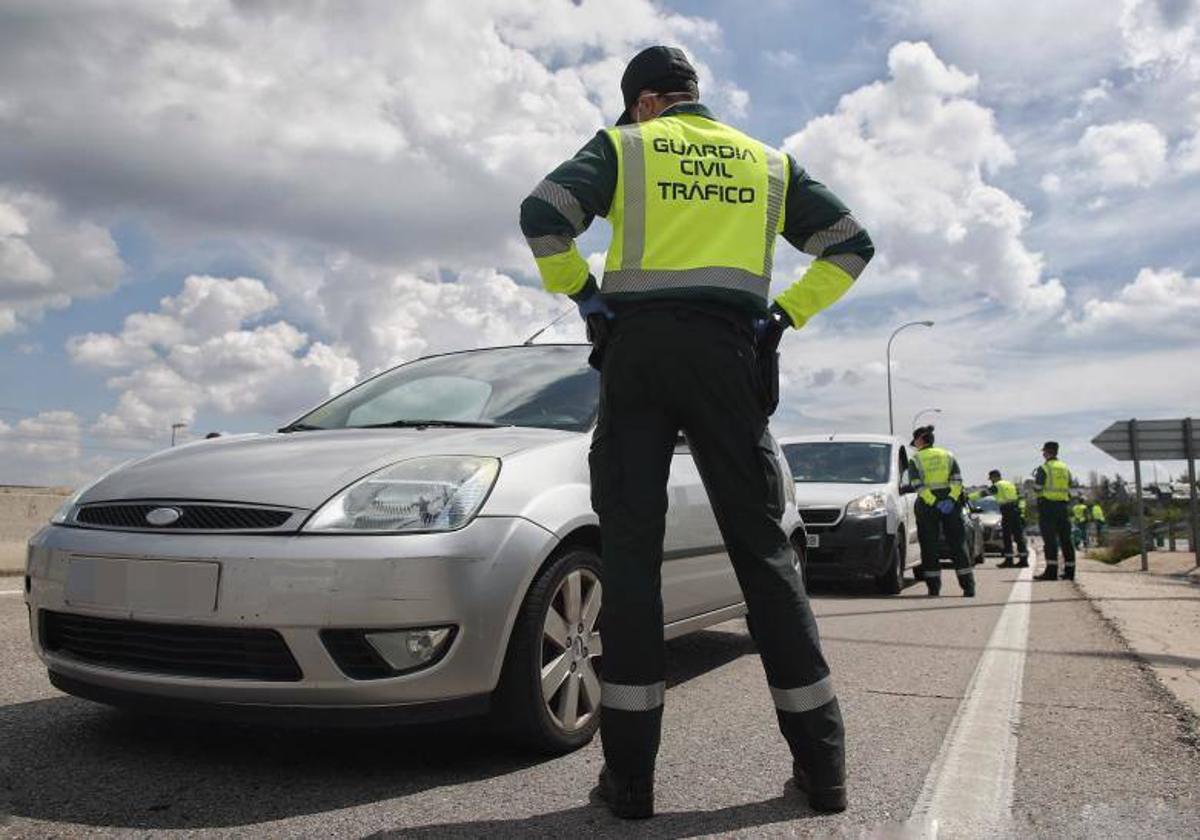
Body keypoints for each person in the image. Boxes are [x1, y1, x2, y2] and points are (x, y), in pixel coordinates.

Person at [519, 45, 873, 819]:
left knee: (632, 564)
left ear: (644, 102)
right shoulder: (770, 164)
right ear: (691, 94)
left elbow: (542, 216)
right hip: (729, 358)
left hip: (638, 359)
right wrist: (784, 315)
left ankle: (632, 784)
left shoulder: (625, 147)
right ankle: (824, 771)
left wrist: (585, 296)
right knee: (767, 558)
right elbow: (852, 243)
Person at [905, 426, 975, 597]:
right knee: (958, 544)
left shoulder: (916, 459)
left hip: (928, 506)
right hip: (951, 505)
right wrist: (950, 499)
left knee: (929, 546)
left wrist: (934, 502)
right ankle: (968, 587)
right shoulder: (948, 455)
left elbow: (917, 486)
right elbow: (957, 481)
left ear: (921, 440)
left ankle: (934, 588)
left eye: (915, 441)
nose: (915, 444)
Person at [1033, 441, 1076, 580]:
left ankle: (1051, 572)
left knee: (1050, 540)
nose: (1043, 454)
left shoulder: (1044, 468)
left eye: (1044, 451)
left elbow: (1038, 487)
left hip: (1048, 507)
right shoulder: (1065, 468)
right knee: (1066, 540)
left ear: (1047, 452)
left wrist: (1036, 488)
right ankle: (1070, 572)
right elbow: (1070, 484)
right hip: (1063, 507)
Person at [970, 469, 1029, 568]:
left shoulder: (997, 486)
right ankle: (1024, 560)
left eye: (991, 478)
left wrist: (968, 497)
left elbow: (983, 494)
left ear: (995, 477)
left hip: (1007, 511)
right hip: (1016, 511)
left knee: (1007, 536)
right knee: (1019, 537)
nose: (991, 481)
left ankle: (1009, 561)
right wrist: (1022, 514)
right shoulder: (1010, 484)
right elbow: (1020, 498)